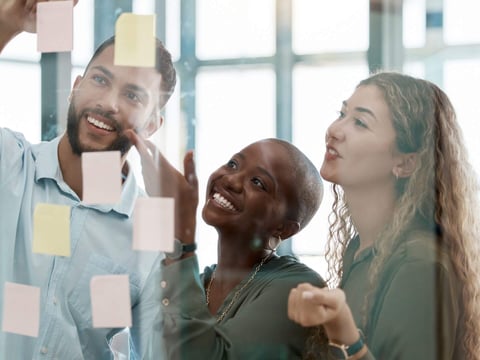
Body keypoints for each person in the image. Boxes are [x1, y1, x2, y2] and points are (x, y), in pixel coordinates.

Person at [0, 1, 177, 358]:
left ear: (153, 125)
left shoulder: (150, 235)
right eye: (100, 80)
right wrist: (9, 21)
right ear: (76, 87)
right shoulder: (12, 165)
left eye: (132, 95)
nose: (107, 103)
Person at [287, 71, 480, 360]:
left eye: (360, 122)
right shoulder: (361, 249)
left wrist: (347, 339)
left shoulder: (418, 265)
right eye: (342, 113)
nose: (335, 130)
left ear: (405, 163)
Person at [128, 133, 328, 359]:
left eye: (258, 183)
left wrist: (182, 230)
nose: (231, 180)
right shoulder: (199, 283)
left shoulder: (300, 289)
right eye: (233, 164)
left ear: (284, 229)